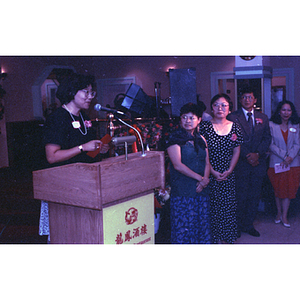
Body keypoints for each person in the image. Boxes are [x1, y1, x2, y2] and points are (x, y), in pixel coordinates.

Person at [39, 73, 110, 241]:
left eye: (92, 93)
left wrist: (98, 149)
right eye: (85, 92)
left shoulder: (83, 117)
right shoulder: (57, 118)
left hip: (83, 185)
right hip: (63, 187)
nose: (90, 97)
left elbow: (85, 151)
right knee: (65, 234)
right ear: (71, 92)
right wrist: (81, 147)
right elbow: (52, 156)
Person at [227, 85, 271, 237]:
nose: (247, 100)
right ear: (240, 99)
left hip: (258, 163)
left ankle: (249, 225)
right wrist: (247, 155)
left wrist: (257, 154)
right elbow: (233, 139)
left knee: (254, 196)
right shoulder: (233, 117)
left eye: (250, 97)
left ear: (255, 100)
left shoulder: (263, 117)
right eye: (244, 97)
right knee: (240, 196)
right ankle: (237, 226)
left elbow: (267, 138)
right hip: (241, 163)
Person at [165, 102, 211, 244]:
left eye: (191, 118)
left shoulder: (201, 139)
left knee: (201, 224)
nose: (188, 121)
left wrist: (205, 180)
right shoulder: (175, 139)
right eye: (184, 117)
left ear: (199, 120)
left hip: (201, 190)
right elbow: (177, 165)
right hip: (183, 190)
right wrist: (201, 179)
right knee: (184, 226)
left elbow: (207, 162)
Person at [200, 93, 242, 244]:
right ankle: (214, 237)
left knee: (228, 206)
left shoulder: (234, 126)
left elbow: (237, 150)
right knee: (212, 206)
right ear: (212, 108)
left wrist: (230, 170)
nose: (220, 108)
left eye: (224, 105)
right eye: (216, 104)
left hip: (228, 172)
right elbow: (202, 151)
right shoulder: (204, 127)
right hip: (209, 172)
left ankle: (227, 236)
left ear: (229, 109)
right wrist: (212, 171)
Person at [267, 100, 300, 228]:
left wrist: (290, 156)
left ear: (292, 112)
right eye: (284, 110)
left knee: (289, 190)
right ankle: (278, 213)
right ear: (279, 111)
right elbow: (270, 144)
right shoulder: (271, 125)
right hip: (276, 162)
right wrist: (285, 156)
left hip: (293, 163)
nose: (286, 113)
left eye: (289, 110)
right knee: (278, 189)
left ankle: (285, 215)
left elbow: (297, 144)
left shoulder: (296, 125)